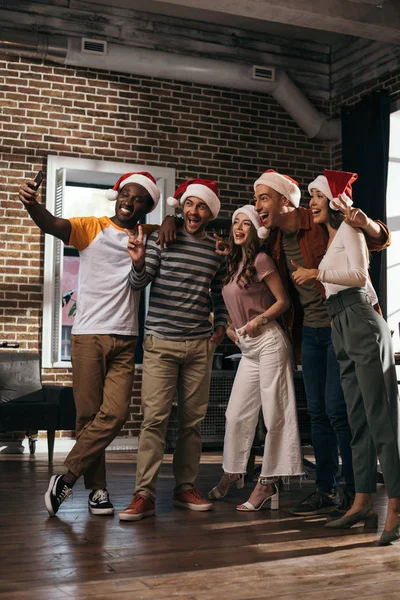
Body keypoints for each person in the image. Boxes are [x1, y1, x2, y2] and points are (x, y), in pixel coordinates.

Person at [19, 171, 161, 517]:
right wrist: (31, 205)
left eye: (139, 198)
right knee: (87, 416)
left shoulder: (149, 237)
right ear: (118, 196)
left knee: (115, 414)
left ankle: (66, 477)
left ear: (146, 206)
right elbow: (52, 224)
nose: (130, 202)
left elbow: (146, 275)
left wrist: (158, 236)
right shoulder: (91, 227)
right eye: (126, 194)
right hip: (87, 335)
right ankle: (98, 491)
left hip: (126, 337)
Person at [253, 169, 390, 516]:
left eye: (263, 197)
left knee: (337, 411)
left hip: (340, 326)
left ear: (285, 200)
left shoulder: (318, 220)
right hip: (309, 334)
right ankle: (326, 489)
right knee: (317, 413)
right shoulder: (273, 242)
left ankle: (354, 490)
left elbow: (376, 239)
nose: (257, 205)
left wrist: (367, 223)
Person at [291, 169, 400, 546]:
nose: (312, 203)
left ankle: (397, 508)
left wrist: (315, 272)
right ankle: (362, 500)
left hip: (358, 319)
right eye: (310, 198)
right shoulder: (334, 237)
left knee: (380, 418)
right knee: (357, 421)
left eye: (317, 196)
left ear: (334, 200)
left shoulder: (350, 231)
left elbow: (357, 274)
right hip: (340, 322)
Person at [119, 178, 228, 521]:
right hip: (161, 342)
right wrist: (138, 262)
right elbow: (138, 284)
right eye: (190, 204)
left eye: (202, 206)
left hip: (199, 344)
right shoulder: (161, 239)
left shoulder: (216, 248)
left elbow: (219, 292)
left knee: (193, 423)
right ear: (181, 207)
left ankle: (185, 488)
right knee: (155, 420)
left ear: (210, 213)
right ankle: (144, 494)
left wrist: (222, 324)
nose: (194, 211)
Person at [208, 205, 303, 511]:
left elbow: (282, 302)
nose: (238, 227)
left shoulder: (262, 260)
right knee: (235, 414)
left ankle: (268, 482)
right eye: (235, 222)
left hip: (270, 342)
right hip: (248, 348)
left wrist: (257, 321)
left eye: (244, 223)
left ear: (255, 229)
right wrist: (235, 331)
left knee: (275, 414)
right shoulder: (235, 263)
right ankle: (234, 470)